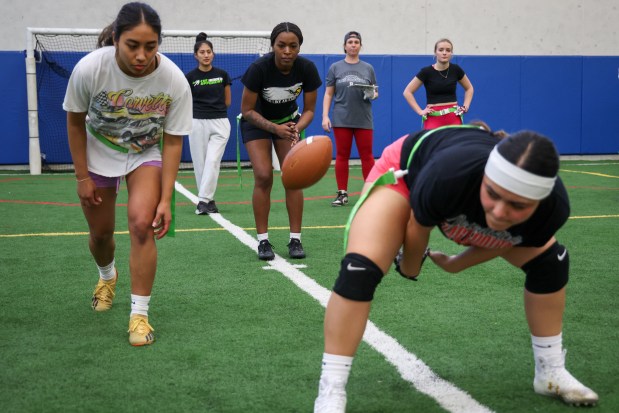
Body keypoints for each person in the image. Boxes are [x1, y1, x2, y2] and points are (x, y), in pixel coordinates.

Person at [313, 124, 599, 411]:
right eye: (493, 194)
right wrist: (410, 267)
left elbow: (507, 240)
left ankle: (550, 370)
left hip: (449, 193)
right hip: (407, 171)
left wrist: (455, 264)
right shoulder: (450, 174)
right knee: (359, 270)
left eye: (517, 205)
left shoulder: (553, 208)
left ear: (538, 202)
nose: (499, 212)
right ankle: (331, 388)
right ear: (485, 177)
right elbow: (418, 225)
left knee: (552, 262)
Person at [63, 2, 192, 346]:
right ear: (116, 40)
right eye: (132, 45)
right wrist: (81, 177)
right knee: (101, 234)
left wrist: (166, 199)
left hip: (144, 153)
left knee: (140, 224)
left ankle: (139, 315)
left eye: (150, 46)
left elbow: (174, 143)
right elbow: (75, 124)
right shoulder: (90, 69)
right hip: (97, 151)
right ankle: (107, 277)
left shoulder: (174, 80)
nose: (141, 55)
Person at [240, 22, 322, 261]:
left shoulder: (307, 69)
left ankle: (295, 239)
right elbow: (246, 110)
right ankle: (263, 241)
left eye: (293, 46)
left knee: (292, 179)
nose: (287, 50)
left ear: (299, 48)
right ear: (273, 46)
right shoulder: (259, 68)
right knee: (264, 175)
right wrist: (275, 128)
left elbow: (309, 111)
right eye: (282, 45)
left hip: (287, 123)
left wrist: (296, 127)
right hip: (257, 123)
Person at [322, 31, 378, 207]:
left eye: (356, 42)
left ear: (360, 46)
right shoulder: (335, 67)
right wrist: (325, 116)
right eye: (350, 42)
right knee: (342, 155)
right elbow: (329, 93)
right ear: (345, 46)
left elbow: (375, 91)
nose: (353, 45)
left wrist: (373, 94)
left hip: (363, 118)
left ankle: (370, 193)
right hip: (341, 118)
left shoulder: (368, 68)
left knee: (367, 156)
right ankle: (342, 194)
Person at [186, 32, 232, 215]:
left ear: (213, 54)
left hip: (220, 123)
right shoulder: (189, 77)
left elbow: (227, 102)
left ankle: (202, 201)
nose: (206, 55)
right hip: (196, 123)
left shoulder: (222, 75)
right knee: (200, 164)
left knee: (213, 161)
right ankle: (209, 201)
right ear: (196, 55)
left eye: (209, 51)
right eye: (202, 52)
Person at [403, 38, 474, 130]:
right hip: (433, 119)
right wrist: (420, 111)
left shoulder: (456, 70)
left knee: (454, 144)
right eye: (441, 50)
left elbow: (469, 88)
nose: (444, 53)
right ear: (435, 52)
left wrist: (466, 106)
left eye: (448, 50)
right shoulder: (426, 72)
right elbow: (407, 92)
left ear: (451, 53)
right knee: (431, 144)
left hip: (453, 118)